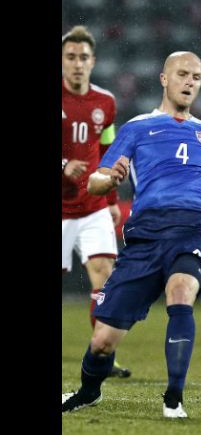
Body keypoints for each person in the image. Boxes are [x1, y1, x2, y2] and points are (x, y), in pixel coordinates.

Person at [61, 51, 201, 418]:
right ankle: (88, 391)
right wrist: (109, 177)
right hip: (145, 237)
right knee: (102, 341)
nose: (190, 82)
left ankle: (173, 399)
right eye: (182, 74)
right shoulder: (136, 128)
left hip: (192, 231)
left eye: (196, 76)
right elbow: (97, 181)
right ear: (164, 79)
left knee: (180, 293)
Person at [61, 25, 131, 378]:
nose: (77, 64)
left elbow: (108, 150)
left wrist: (113, 197)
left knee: (105, 279)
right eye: (70, 57)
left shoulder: (106, 102)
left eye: (83, 57)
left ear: (93, 61)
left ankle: (102, 356)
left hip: (92, 206)